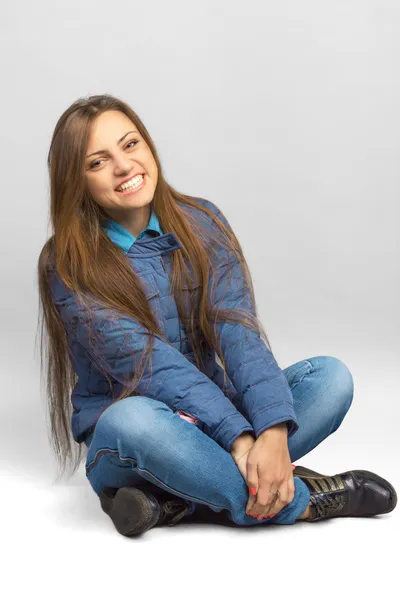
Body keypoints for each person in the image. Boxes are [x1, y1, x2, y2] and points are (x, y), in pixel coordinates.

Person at [37, 93, 397, 537]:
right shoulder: (68, 263)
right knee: (130, 418)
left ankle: (173, 502)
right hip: (136, 439)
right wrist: (241, 439)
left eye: (130, 145)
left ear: (148, 146)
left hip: (218, 425)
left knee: (331, 378)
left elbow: (239, 333)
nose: (124, 166)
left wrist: (270, 430)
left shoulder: (202, 221)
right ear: (77, 181)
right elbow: (150, 365)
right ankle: (304, 500)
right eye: (98, 162)